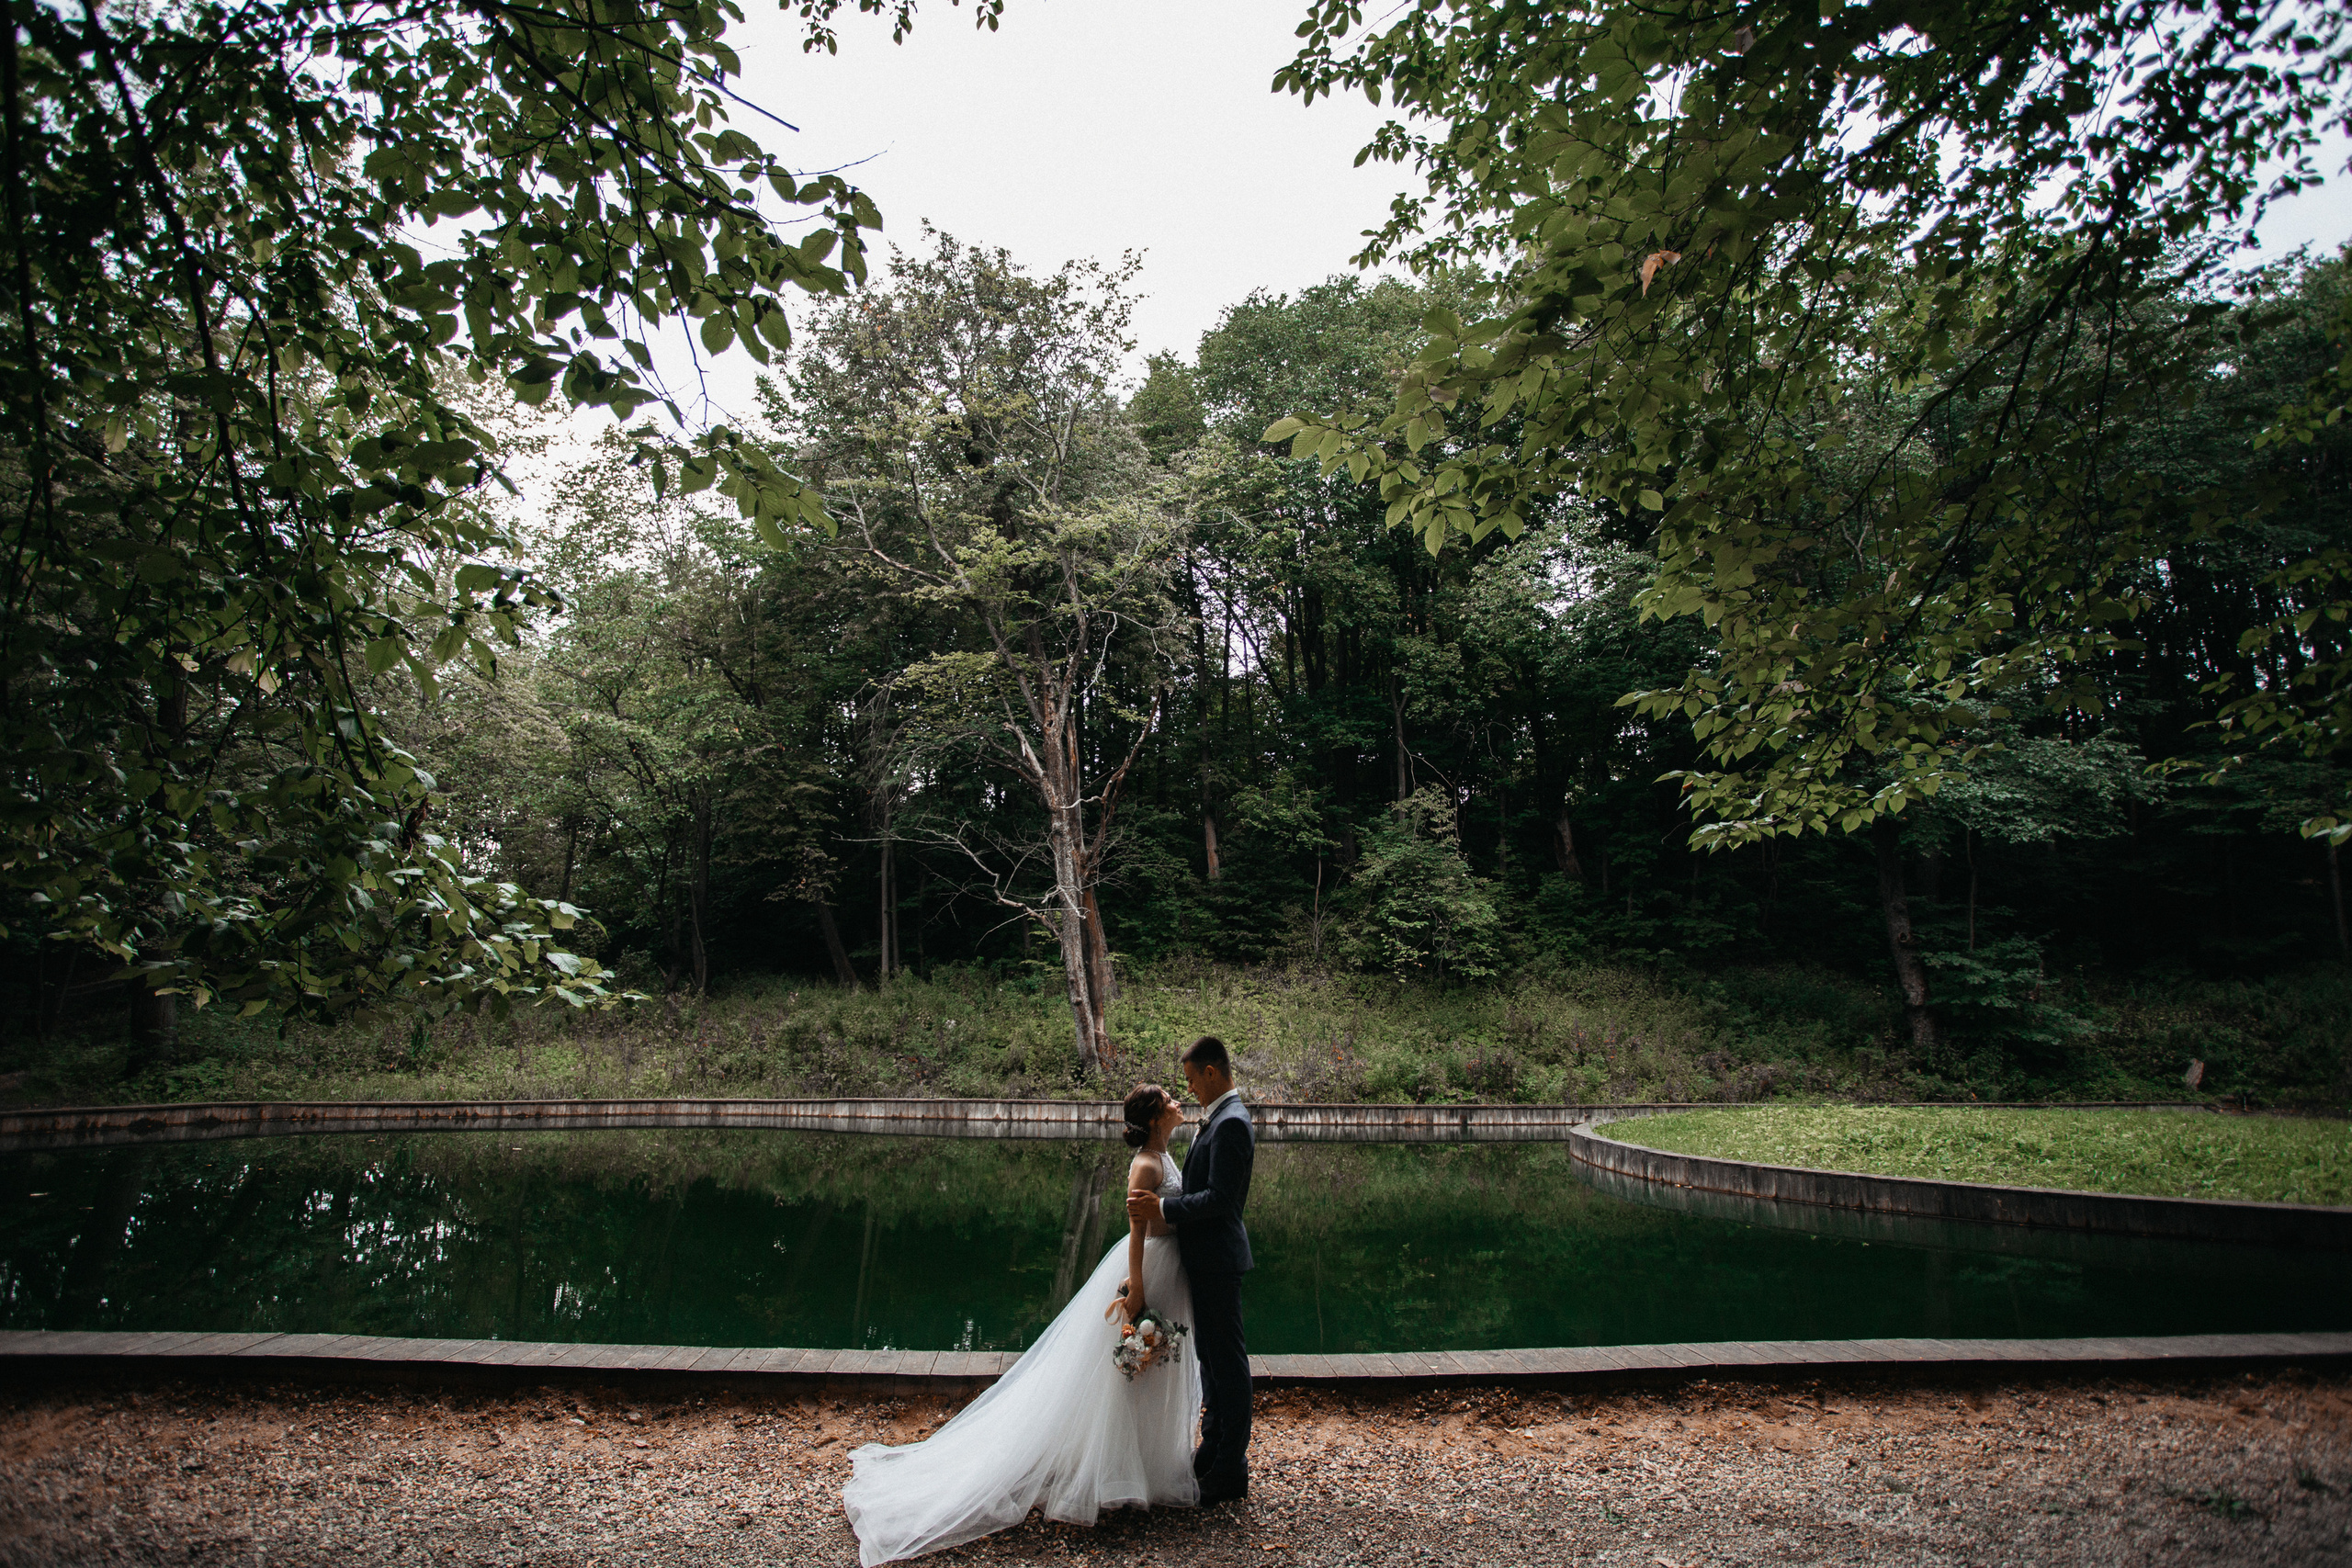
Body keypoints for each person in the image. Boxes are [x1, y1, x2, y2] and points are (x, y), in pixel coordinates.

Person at [840, 1083, 1200, 1565]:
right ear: (1155, 1117)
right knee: (1131, 1371)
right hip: (1150, 1269)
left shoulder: (1163, 1155)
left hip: (1170, 1268)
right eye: (1169, 1100)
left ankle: (1147, 1466)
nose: (1177, 1103)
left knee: (1153, 1369)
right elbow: (1136, 1231)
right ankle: (1114, 1470)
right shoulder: (1146, 1165)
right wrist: (1136, 1290)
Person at [1126, 1034, 1254, 1505]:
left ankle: (1230, 1469)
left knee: (1228, 1365)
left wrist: (1163, 1209)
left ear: (1211, 1073)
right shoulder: (1217, 1118)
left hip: (1219, 1260)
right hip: (1202, 1261)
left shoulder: (1231, 1122)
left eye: (1191, 1080)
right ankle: (1212, 1449)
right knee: (1211, 1363)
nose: (1189, 1089)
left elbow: (1221, 1200)